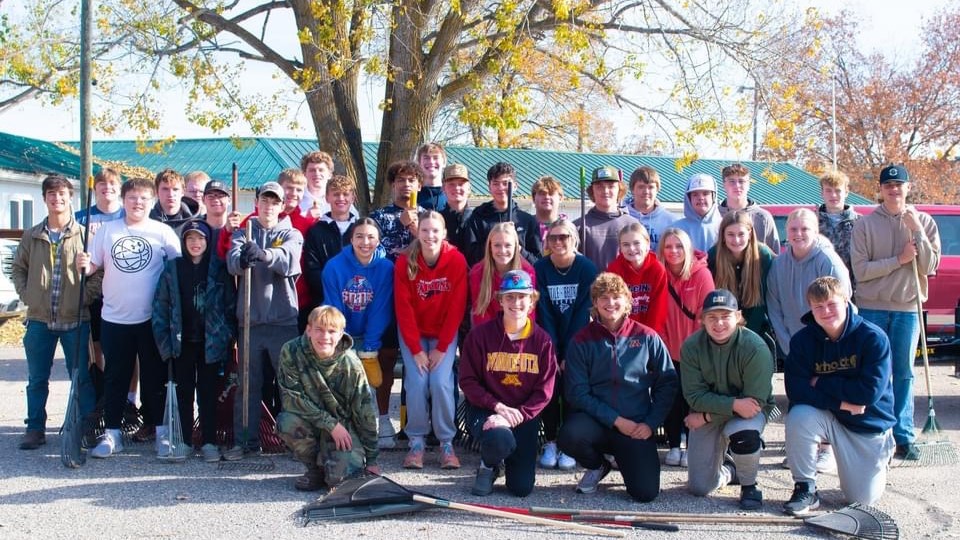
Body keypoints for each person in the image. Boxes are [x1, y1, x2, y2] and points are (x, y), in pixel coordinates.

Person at [77, 177, 182, 459]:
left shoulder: (162, 233)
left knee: (154, 377)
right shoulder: (107, 231)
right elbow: (93, 266)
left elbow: (178, 271)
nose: (138, 203)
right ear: (124, 201)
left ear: (152, 202)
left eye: (144, 198)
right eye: (132, 198)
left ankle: (161, 432)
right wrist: (84, 266)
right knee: (115, 377)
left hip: (152, 319)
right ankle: (112, 433)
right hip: (114, 318)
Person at [558, 273, 677, 502]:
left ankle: (625, 458)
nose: (610, 303)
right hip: (597, 422)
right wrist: (616, 421)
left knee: (645, 494)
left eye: (616, 297)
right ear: (595, 303)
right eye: (603, 297)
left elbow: (668, 383)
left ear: (627, 301)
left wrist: (650, 423)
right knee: (570, 436)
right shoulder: (582, 340)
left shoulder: (647, 337)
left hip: (636, 424)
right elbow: (577, 393)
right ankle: (598, 465)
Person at [783, 277, 895, 515]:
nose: (825, 311)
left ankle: (884, 449)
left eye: (831, 304)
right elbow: (796, 390)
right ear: (811, 309)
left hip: (866, 425)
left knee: (862, 499)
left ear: (846, 301)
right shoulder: (802, 341)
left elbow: (868, 393)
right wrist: (841, 402)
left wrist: (820, 381)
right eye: (818, 306)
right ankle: (806, 488)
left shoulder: (872, 338)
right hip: (831, 416)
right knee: (799, 414)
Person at [851, 164, 941, 461]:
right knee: (874, 372)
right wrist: (898, 259)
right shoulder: (864, 224)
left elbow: (928, 266)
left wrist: (917, 232)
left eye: (898, 185)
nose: (894, 190)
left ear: (907, 187)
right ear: (881, 189)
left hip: (907, 308)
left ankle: (903, 436)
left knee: (903, 374)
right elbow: (861, 272)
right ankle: (876, 431)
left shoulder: (924, 221)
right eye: (888, 185)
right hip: (872, 308)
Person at [13, 175, 101, 450]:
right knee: (37, 378)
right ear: (44, 199)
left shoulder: (86, 235)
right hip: (40, 319)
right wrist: (29, 296)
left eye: (62, 194)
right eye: (51, 194)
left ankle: (84, 428)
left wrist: (83, 298)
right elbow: (18, 269)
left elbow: (99, 273)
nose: (57, 199)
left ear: (70, 198)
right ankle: (35, 428)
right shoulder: (32, 235)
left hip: (75, 319)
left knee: (81, 377)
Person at [460, 270, 558, 497]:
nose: (516, 302)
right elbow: (467, 380)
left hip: (523, 415)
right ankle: (488, 465)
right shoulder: (480, 336)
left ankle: (508, 461)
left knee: (521, 488)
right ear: (500, 300)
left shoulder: (542, 341)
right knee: (499, 437)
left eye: (522, 297)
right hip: (487, 411)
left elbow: (544, 391)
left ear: (532, 301)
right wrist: (496, 407)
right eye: (510, 297)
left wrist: (519, 414)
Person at [225, 181, 304, 459]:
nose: (269, 206)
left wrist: (265, 255)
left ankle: (296, 442)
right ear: (257, 202)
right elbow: (232, 261)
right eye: (265, 200)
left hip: (283, 322)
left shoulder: (291, 233)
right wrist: (243, 260)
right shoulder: (243, 233)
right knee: (248, 385)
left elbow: (288, 259)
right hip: (250, 322)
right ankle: (245, 441)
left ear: (282, 206)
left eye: (275, 202)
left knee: (290, 385)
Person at [681, 289, 775, 511]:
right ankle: (730, 469)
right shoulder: (692, 346)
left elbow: (754, 403)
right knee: (699, 488)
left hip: (746, 413)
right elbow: (694, 396)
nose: (719, 323)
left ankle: (749, 485)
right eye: (712, 317)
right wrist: (731, 405)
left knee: (743, 432)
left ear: (738, 316)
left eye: (726, 316)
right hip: (714, 412)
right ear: (702, 319)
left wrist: (705, 416)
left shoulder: (755, 347)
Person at [152, 220, 237, 462]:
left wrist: (228, 336)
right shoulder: (173, 269)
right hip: (182, 343)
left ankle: (209, 441)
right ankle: (186, 440)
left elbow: (230, 305)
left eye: (200, 239)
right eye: (190, 239)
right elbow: (160, 307)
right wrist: (165, 345)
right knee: (184, 393)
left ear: (208, 242)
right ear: (183, 242)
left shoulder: (218, 268)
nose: (195, 243)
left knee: (208, 393)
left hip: (211, 343)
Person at [276, 306, 380, 491]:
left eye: (331, 331)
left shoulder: (351, 364)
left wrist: (372, 459)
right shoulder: (291, 352)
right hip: (312, 421)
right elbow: (292, 398)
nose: (325, 337)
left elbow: (364, 412)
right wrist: (330, 424)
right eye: (319, 330)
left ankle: (335, 467)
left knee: (338, 482)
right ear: (308, 330)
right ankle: (314, 470)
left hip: (344, 427)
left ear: (341, 334)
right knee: (287, 421)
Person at [394, 211, 468, 469]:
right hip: (414, 333)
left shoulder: (456, 260)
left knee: (440, 383)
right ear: (418, 232)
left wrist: (441, 348)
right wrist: (415, 349)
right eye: (424, 230)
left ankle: (446, 442)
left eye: (435, 230)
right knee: (416, 381)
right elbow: (403, 309)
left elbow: (457, 308)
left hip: (443, 335)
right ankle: (416, 441)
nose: (430, 236)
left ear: (444, 233)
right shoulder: (406, 261)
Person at [533, 219, 598, 471]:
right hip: (549, 339)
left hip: (578, 341)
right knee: (549, 389)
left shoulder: (586, 268)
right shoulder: (540, 268)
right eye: (554, 238)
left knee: (573, 390)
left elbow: (583, 311)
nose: (559, 242)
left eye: (564, 237)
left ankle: (569, 444)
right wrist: (553, 352)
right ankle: (550, 441)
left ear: (575, 239)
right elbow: (544, 312)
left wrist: (568, 353)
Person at [321, 218, 395, 434]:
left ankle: (381, 421)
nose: (365, 242)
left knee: (375, 380)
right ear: (351, 238)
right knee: (344, 382)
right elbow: (333, 308)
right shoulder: (334, 267)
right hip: (342, 334)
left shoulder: (385, 267)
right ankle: (344, 428)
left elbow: (380, 309)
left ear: (379, 240)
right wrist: (343, 342)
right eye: (360, 236)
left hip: (372, 335)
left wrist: (370, 349)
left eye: (371, 237)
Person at [74, 168, 128, 428]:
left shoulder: (126, 215)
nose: (107, 188)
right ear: (95, 189)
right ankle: (101, 395)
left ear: (120, 189)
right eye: (102, 185)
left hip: (122, 287)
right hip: (93, 289)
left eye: (112, 184)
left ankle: (129, 397)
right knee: (96, 345)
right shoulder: (82, 217)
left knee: (128, 350)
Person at [657, 227, 715, 468]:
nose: (673, 251)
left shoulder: (701, 275)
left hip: (694, 350)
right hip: (667, 347)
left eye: (679, 246)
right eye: (668, 246)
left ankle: (693, 445)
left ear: (688, 248)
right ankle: (673, 444)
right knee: (671, 399)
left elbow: (706, 314)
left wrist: (696, 348)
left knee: (693, 399)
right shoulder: (659, 273)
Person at [767, 208, 851, 358]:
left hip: (829, 348)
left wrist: (831, 345)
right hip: (793, 349)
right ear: (786, 231)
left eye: (805, 229)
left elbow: (843, 306)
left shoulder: (828, 262)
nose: (798, 234)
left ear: (815, 231)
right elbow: (775, 310)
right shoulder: (778, 265)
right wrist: (791, 347)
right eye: (793, 229)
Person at [708, 210, 776, 346]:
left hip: (758, 332)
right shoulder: (714, 256)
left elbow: (761, 303)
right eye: (731, 235)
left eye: (741, 234)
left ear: (750, 234)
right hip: (724, 333)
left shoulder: (763, 256)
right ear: (723, 236)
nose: (736, 240)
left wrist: (749, 337)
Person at [464, 162, 542, 266]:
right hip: (487, 278)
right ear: (489, 187)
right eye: (496, 184)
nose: (501, 188)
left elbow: (537, 262)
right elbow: (470, 257)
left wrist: (517, 248)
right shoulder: (478, 217)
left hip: (519, 280)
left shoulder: (527, 221)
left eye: (505, 183)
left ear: (515, 186)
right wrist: (495, 241)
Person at [605, 223, 667, 337]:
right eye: (626, 245)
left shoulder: (657, 269)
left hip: (649, 334)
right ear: (620, 248)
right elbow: (612, 306)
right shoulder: (614, 269)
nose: (632, 248)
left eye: (637, 243)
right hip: (621, 334)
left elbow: (659, 309)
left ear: (647, 244)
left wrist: (649, 336)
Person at [469, 222, 536, 327]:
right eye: (497, 245)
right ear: (490, 247)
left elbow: (529, 313)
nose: (502, 250)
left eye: (508, 245)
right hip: (487, 332)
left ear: (516, 247)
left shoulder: (527, 272)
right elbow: (480, 312)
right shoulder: (477, 272)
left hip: (518, 329)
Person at [573, 166, 638, 270]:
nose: (605, 191)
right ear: (592, 191)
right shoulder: (578, 226)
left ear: (619, 190)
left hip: (624, 285)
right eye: (599, 187)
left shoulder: (633, 225)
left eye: (611, 186)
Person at [718, 163, 780, 253]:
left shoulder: (763, 218)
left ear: (749, 185)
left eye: (741, 181)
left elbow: (775, 256)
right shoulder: (715, 215)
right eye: (731, 181)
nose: (737, 186)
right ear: (723, 185)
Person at [370, 160, 425, 261]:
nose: (406, 184)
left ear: (419, 186)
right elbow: (373, 251)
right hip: (389, 273)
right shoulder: (378, 217)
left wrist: (420, 234)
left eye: (411, 180)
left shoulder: (428, 217)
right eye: (401, 180)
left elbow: (438, 249)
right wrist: (399, 225)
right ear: (393, 185)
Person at [818, 170, 860, 288]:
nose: (833, 195)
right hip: (820, 291)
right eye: (828, 191)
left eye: (838, 190)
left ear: (846, 192)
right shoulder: (811, 224)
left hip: (854, 290)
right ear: (822, 193)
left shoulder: (860, 223)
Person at [625, 166, 678, 252]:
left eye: (651, 187)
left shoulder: (672, 222)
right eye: (641, 187)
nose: (646, 191)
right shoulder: (622, 217)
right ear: (632, 189)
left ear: (657, 189)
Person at [672, 173, 722, 252]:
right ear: (689, 198)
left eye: (705, 193)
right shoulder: (675, 229)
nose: (701, 198)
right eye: (695, 194)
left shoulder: (725, 227)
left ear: (713, 197)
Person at [439, 163, 473, 255]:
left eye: (461, 184)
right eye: (451, 184)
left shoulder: (478, 218)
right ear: (443, 188)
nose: (456, 188)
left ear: (469, 188)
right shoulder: (437, 220)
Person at [531, 176, 566, 246]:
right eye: (542, 193)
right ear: (533, 198)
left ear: (561, 198)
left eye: (551, 193)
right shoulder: (525, 227)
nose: (546, 197)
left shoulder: (569, 228)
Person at [299, 150, 335, 218]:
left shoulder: (340, 199)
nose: (317, 174)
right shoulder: (296, 198)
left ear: (330, 174)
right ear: (304, 174)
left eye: (321, 170)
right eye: (312, 170)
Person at [416, 142, 447, 210]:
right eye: (426, 158)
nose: (431, 162)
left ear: (444, 162)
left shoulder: (451, 194)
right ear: (419, 163)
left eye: (435, 157)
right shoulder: (412, 195)